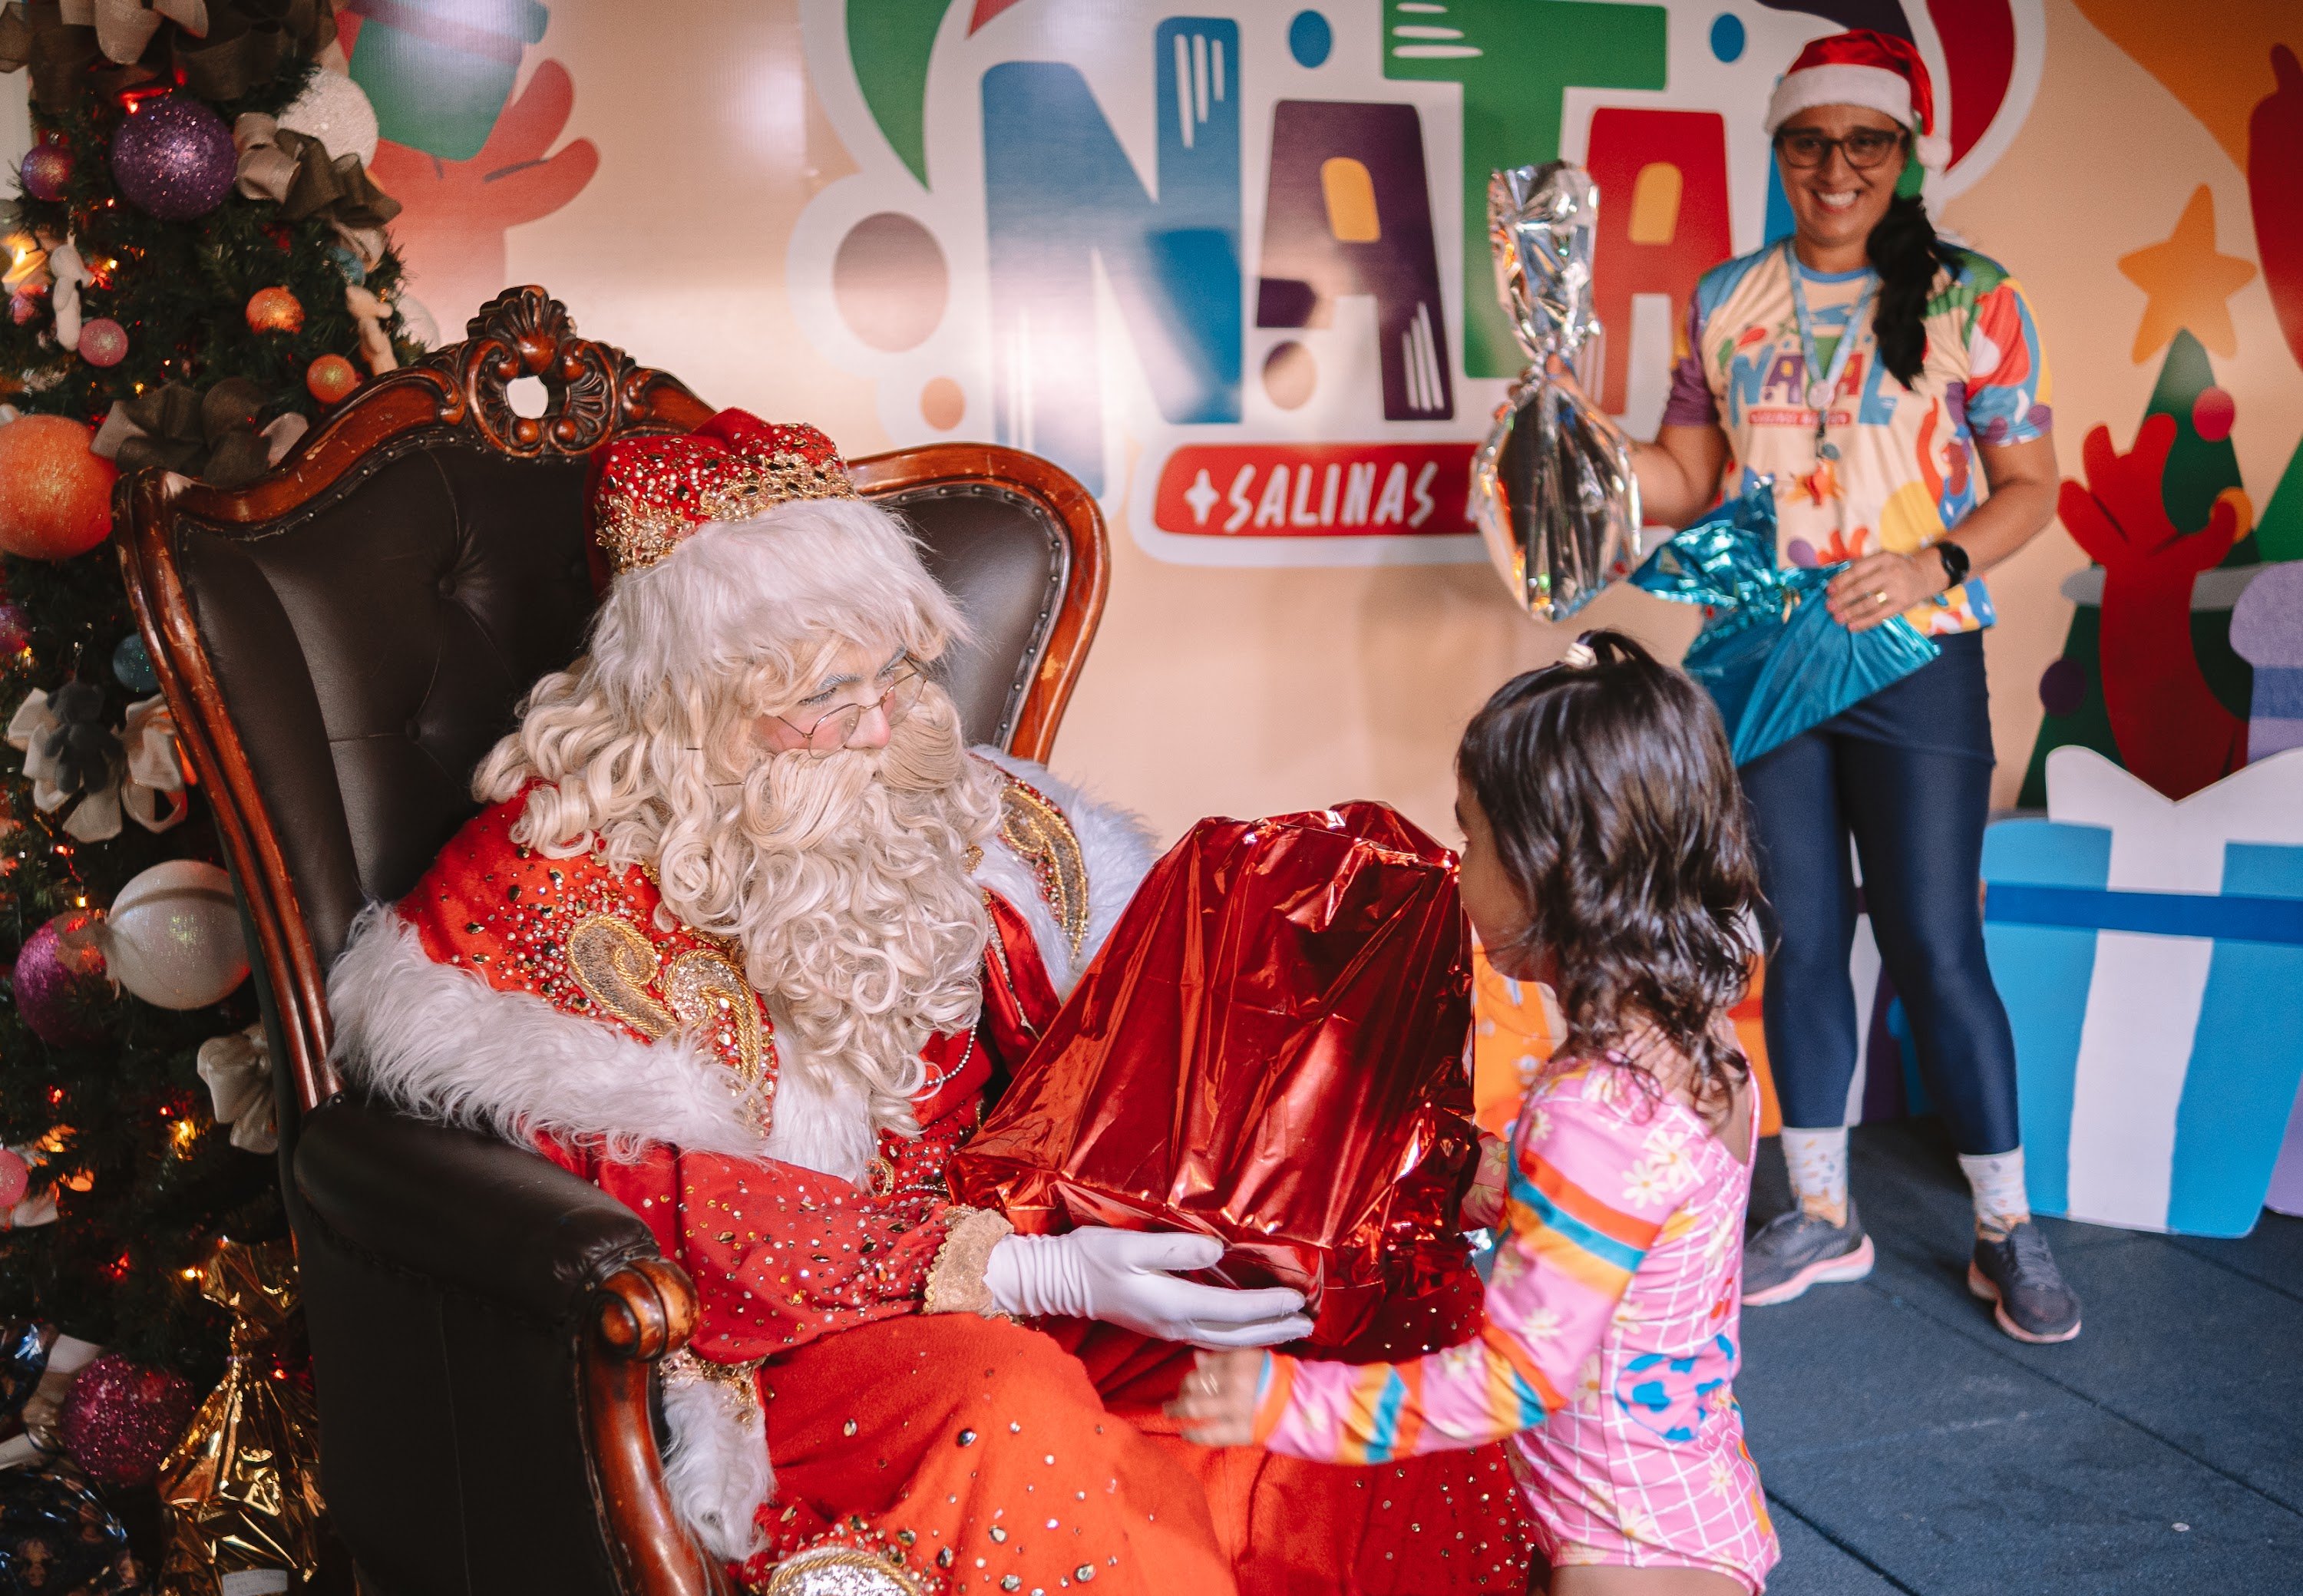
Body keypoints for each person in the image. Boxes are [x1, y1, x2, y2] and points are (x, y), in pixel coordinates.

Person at [324, 409, 1535, 1594]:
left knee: (1353, 1320)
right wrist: (1003, 1274)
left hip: (1061, 1253)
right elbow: (646, 1192)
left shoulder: (981, 814)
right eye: (819, 697)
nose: (877, 725)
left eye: (892, 672)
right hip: (802, 1339)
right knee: (1012, 1404)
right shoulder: (543, 879)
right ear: (689, 708)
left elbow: (1163, 1048)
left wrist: (1370, 1155)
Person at [1614, 29, 2077, 1342]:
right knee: (1800, 939)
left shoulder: (1974, 299)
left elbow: (2031, 489)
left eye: (1864, 142)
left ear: (1902, 153)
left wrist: (1931, 555)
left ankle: (2005, 1223)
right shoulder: (1726, 298)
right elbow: (1690, 476)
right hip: (1759, 654)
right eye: (1811, 141)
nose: (1837, 167)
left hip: (1913, 650)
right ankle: (1821, 1209)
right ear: (1781, 149)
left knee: (1936, 940)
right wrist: (1575, 442)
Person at [1171, 632, 1780, 1596]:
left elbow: (1515, 1381)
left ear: (1549, 869)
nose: (1456, 871)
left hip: (1625, 1553)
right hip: (1687, 1500)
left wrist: (1288, 1404)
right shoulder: (1698, 1043)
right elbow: (1643, 1231)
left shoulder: (1596, 1111)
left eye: (1471, 838)